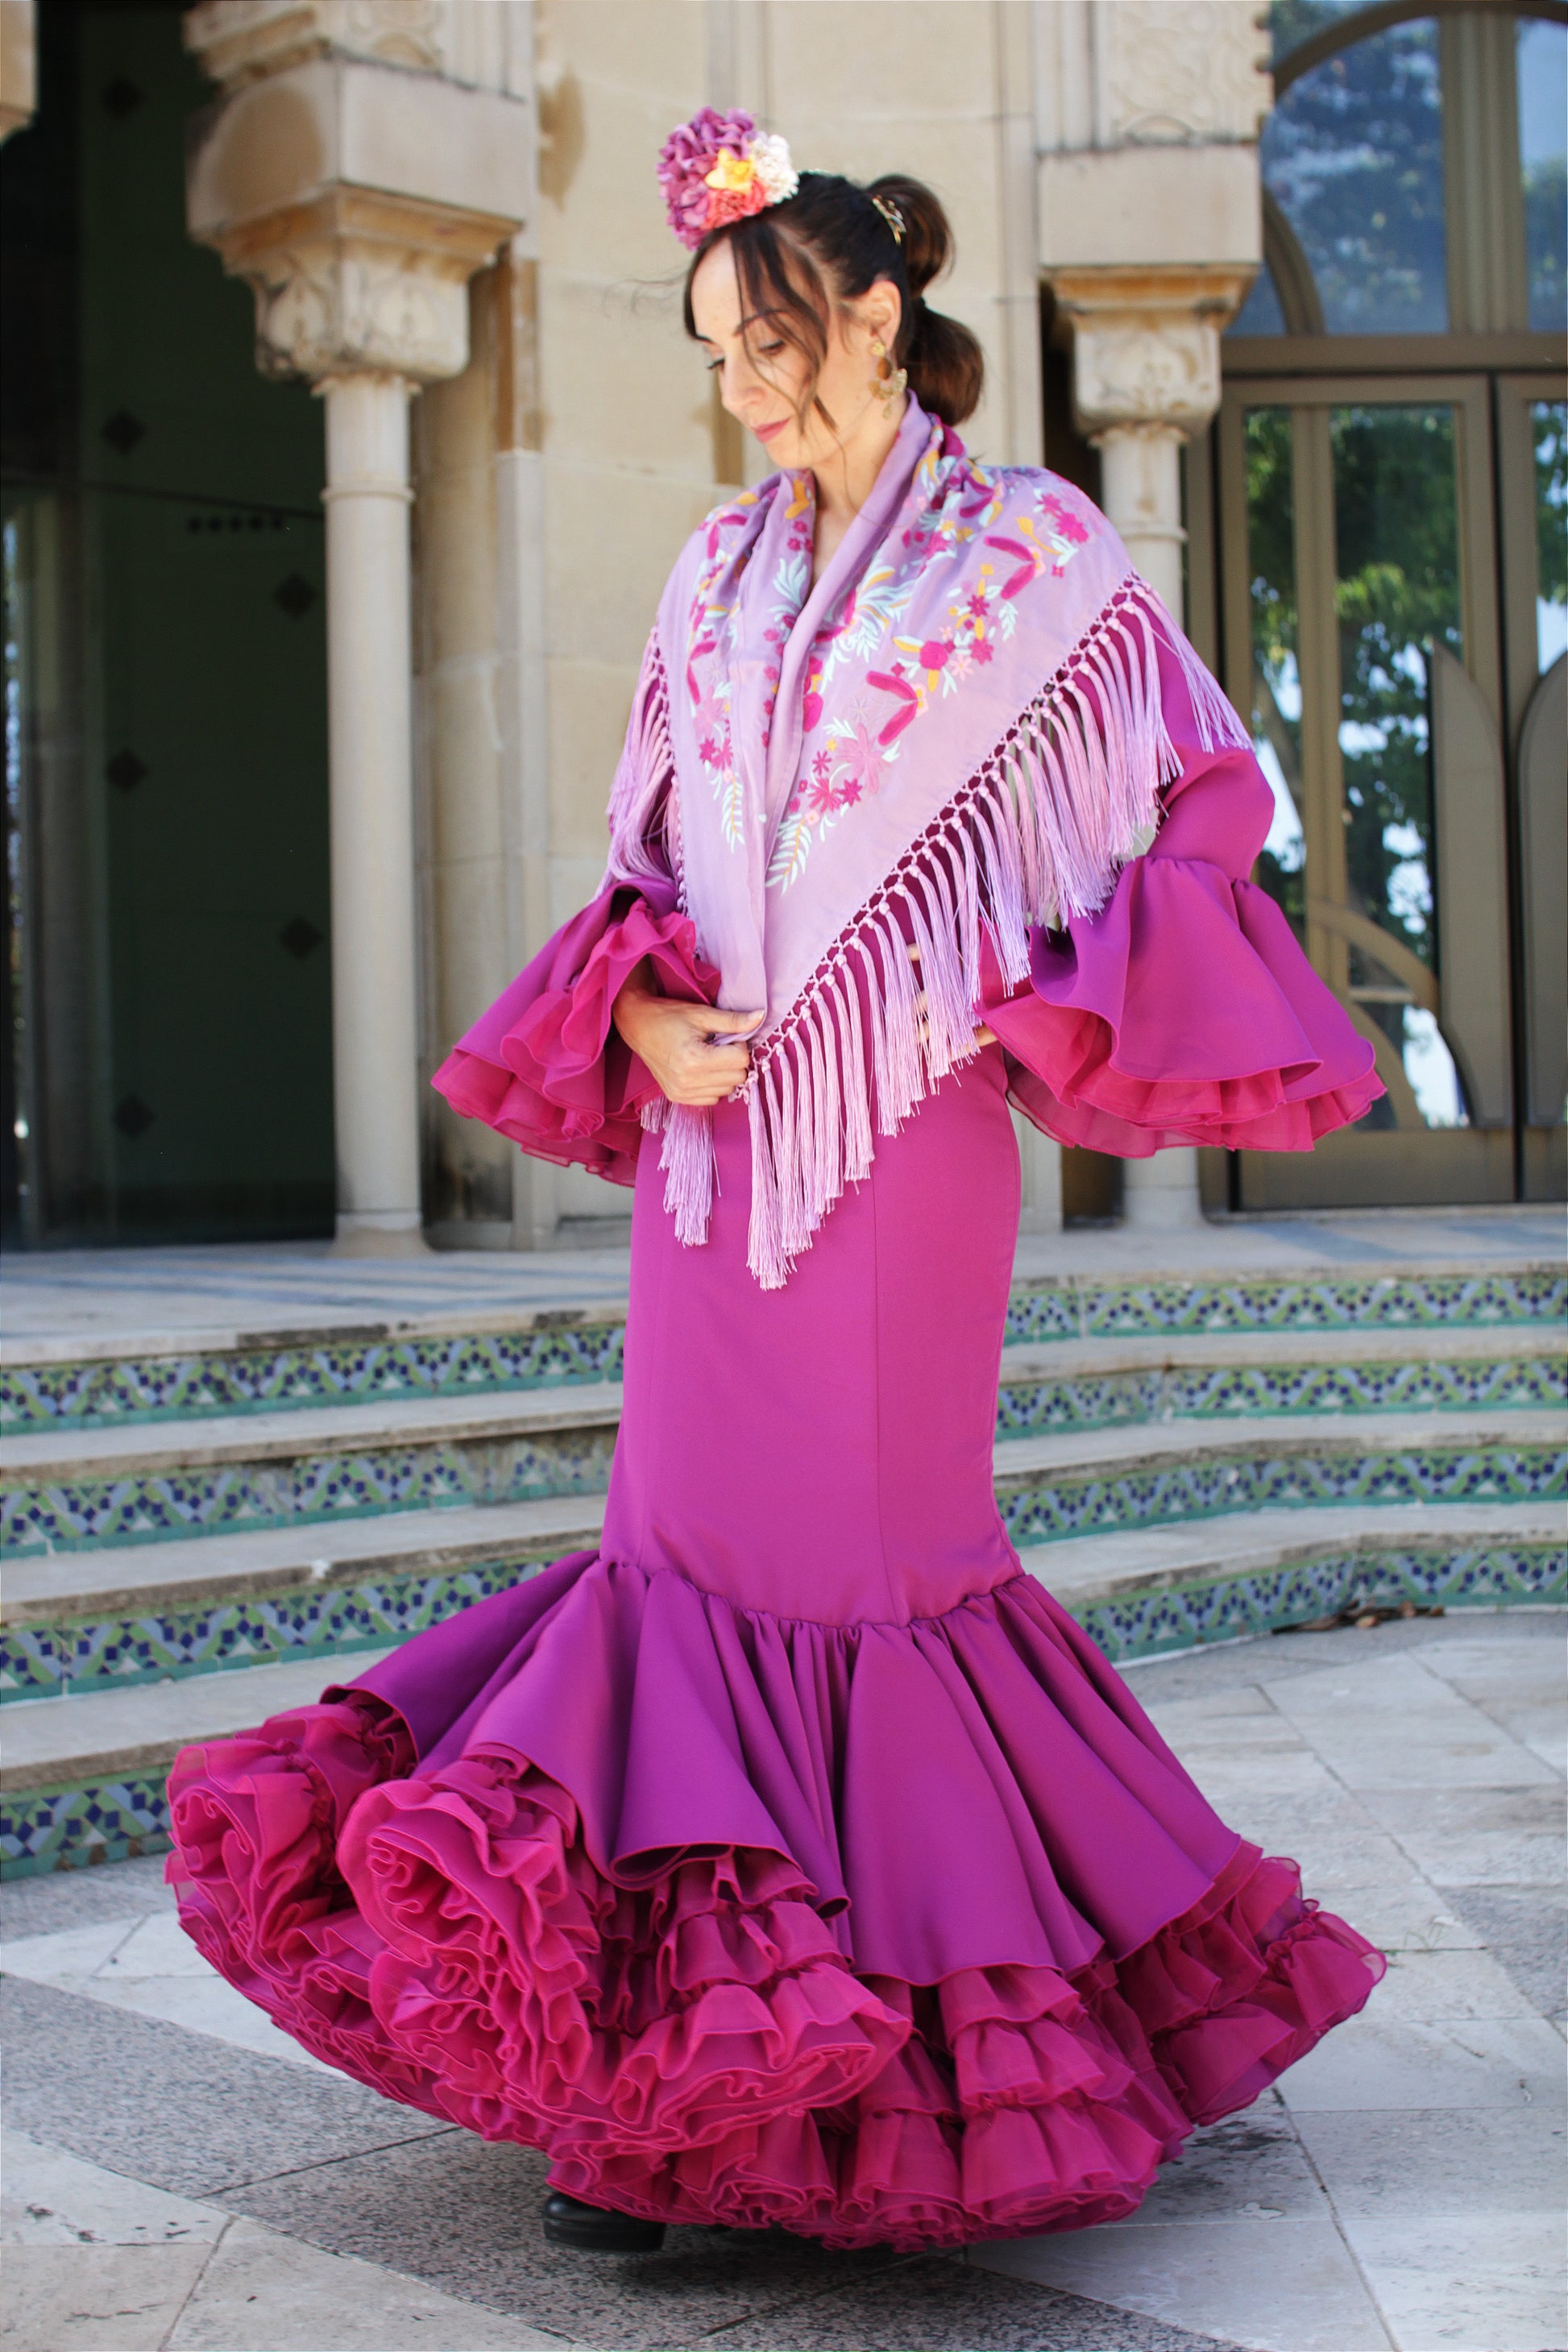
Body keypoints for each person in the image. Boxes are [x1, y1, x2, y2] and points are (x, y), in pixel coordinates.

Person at [165, 112, 1387, 2258]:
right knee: (679, 1577)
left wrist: (1034, 1006)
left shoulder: (1036, 562)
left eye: (772, 342)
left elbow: (1204, 797)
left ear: (879, 314)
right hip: (710, 1160)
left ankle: (849, 2094)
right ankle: (669, 2086)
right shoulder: (714, 573)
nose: (746, 389)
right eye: (719, 354)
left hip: (909, 1161)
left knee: (861, 1586)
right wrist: (635, 1022)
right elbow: (648, 864)